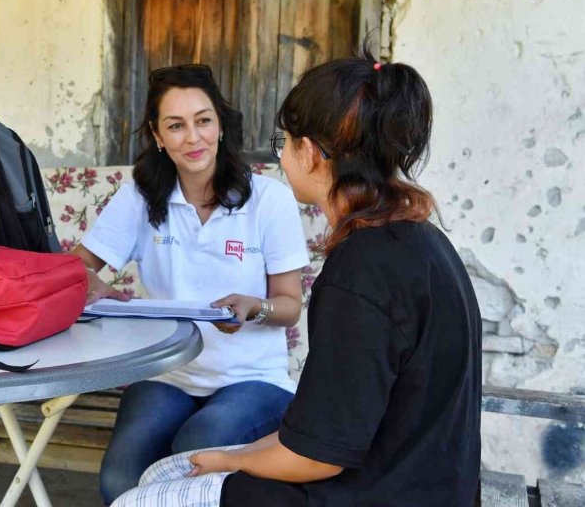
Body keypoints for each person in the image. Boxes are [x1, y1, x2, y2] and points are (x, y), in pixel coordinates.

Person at [111, 52, 483, 507]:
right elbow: (330, 429)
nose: (281, 157)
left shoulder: (361, 272)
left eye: (282, 143)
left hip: (371, 492)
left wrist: (233, 462)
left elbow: (317, 458)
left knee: (140, 499)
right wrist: (231, 457)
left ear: (308, 152)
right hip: (414, 480)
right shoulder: (421, 242)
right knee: (161, 472)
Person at [69, 64, 310, 505]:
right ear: (157, 136)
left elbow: (289, 305)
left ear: (220, 124)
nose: (193, 137)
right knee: (120, 478)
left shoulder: (267, 198)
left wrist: (254, 308)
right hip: (168, 373)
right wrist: (102, 292)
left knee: (196, 447)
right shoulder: (140, 196)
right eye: (175, 126)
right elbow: (74, 271)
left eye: (203, 121)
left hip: (253, 378)